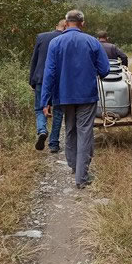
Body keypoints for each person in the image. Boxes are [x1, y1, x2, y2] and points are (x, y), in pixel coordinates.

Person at [41, 10, 111, 188]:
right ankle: (82, 176)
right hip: (86, 94)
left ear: (66, 22)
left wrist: (45, 101)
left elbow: (49, 73)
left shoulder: (55, 43)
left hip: (63, 95)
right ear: (82, 23)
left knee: (70, 129)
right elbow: (104, 69)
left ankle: (74, 165)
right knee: (85, 131)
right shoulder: (91, 41)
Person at [29, 19, 66, 152]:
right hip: (59, 81)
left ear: (56, 26)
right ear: (67, 27)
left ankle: (42, 130)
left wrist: (32, 80)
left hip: (41, 78)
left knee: (39, 109)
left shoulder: (42, 37)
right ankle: (54, 144)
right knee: (58, 112)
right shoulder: (66, 39)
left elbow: (34, 59)